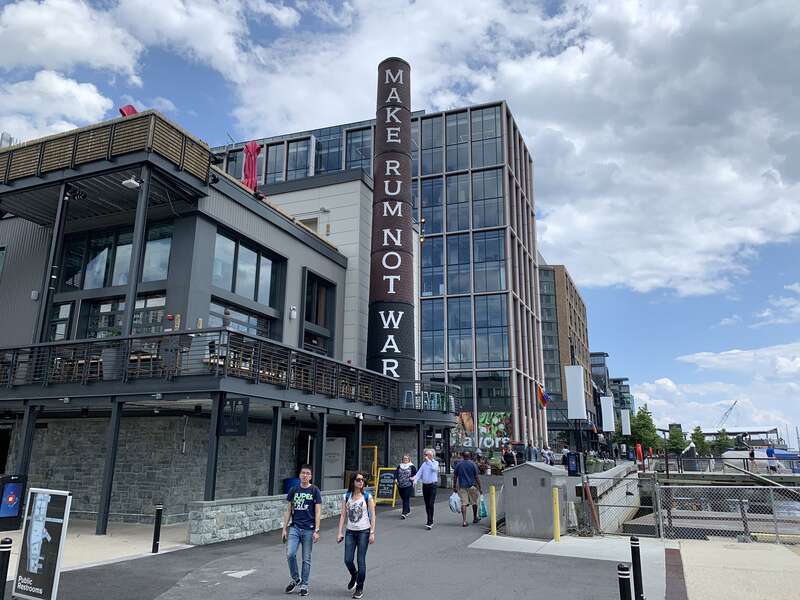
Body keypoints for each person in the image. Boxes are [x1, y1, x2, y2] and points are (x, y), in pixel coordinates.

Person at [282, 464, 321, 597]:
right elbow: (288, 510)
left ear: (310, 476)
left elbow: (318, 511)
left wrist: (317, 529)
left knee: (306, 559)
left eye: (307, 473)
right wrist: (284, 529)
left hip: (309, 530)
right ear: (299, 475)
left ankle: (304, 584)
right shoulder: (294, 489)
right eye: (303, 473)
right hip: (295, 528)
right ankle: (296, 579)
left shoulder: (315, 490)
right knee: (290, 554)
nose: (305, 475)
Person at [337, 471, 376, 599]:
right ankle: (354, 575)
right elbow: (343, 515)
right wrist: (340, 532)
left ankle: (359, 588)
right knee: (347, 559)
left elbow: (373, 515)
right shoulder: (346, 496)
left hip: (364, 532)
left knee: (361, 560)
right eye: (358, 480)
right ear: (353, 482)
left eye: (362, 480)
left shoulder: (367, 497)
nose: (361, 482)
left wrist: (372, 532)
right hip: (350, 532)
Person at [411, 449, 439, 529]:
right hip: (425, 485)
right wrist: (415, 480)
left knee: (431, 503)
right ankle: (429, 519)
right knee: (427, 504)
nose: (426, 456)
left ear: (432, 455)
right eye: (426, 455)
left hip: (432, 485)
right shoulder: (424, 464)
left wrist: (429, 461)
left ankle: (430, 521)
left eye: (428, 455)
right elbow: (419, 473)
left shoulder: (435, 463)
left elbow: (434, 469)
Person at [453, 451, 482, 527]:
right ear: (470, 456)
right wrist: (480, 487)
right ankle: (475, 517)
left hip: (462, 486)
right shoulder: (473, 464)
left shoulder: (459, 464)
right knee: (474, 502)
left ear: (463, 456)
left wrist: (454, 486)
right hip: (472, 486)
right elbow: (476, 477)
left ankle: (464, 521)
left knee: (464, 503)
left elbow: (455, 476)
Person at [394, 454, 417, 519]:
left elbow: (415, 474)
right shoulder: (399, 466)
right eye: (404, 459)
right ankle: (408, 510)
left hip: (408, 485)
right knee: (403, 498)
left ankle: (404, 513)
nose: (405, 460)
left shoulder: (412, 466)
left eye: (406, 459)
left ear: (409, 459)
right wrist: (395, 479)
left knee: (406, 499)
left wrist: (413, 479)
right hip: (400, 485)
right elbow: (396, 473)